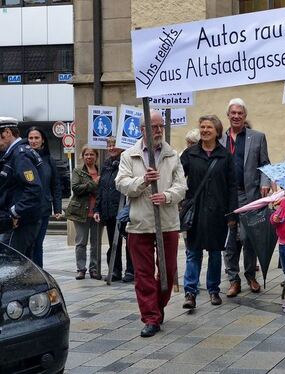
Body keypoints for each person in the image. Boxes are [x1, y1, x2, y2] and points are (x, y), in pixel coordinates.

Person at [116, 110, 186, 337]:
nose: (158, 130)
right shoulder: (129, 156)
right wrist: (143, 181)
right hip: (140, 222)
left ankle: (158, 305)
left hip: (166, 221)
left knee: (168, 270)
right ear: (142, 129)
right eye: (153, 126)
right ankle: (151, 317)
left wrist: (166, 196)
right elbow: (122, 184)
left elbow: (181, 187)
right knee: (143, 273)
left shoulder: (172, 155)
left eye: (160, 126)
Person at [181, 115, 238, 309]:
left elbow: (232, 187)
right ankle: (190, 292)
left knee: (215, 253)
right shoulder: (190, 154)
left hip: (218, 213)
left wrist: (232, 214)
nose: (205, 130)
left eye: (209, 128)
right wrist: (181, 202)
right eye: (202, 126)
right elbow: (178, 179)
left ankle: (213, 290)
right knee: (193, 253)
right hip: (195, 213)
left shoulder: (225, 156)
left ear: (217, 131)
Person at [220, 98, 271, 297]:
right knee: (230, 240)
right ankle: (233, 279)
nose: (236, 116)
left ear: (245, 116)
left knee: (250, 237)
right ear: (228, 115)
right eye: (233, 113)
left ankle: (251, 275)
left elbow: (265, 164)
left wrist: (265, 182)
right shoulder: (220, 139)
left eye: (240, 113)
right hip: (227, 198)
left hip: (250, 194)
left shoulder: (257, 137)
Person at [0, 118, 43, 257]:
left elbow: (34, 189)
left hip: (20, 222)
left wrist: (14, 212)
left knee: (11, 263)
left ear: (7, 133)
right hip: (22, 220)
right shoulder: (15, 154)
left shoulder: (20, 155)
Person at [93, 137, 134, 282]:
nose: (111, 148)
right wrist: (97, 209)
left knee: (129, 241)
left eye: (114, 145)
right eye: (109, 145)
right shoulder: (106, 165)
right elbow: (101, 189)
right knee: (113, 242)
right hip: (109, 210)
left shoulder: (127, 163)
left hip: (124, 209)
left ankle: (131, 270)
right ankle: (115, 269)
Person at [26, 126, 62, 267]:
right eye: (30, 138)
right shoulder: (22, 158)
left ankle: (39, 275)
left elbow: (55, 185)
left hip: (43, 208)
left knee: (38, 243)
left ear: (42, 141)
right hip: (26, 209)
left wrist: (57, 208)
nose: (33, 141)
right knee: (28, 243)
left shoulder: (48, 160)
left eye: (36, 138)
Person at [67, 146, 103, 280]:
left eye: (92, 154)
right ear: (82, 156)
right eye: (86, 154)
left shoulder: (101, 171)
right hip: (81, 212)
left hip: (97, 212)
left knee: (96, 243)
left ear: (96, 156)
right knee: (81, 242)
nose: (89, 157)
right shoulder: (78, 171)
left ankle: (94, 269)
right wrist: (93, 183)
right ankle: (81, 269)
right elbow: (76, 188)